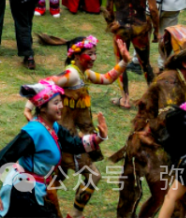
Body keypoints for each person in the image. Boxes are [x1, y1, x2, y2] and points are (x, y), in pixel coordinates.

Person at [114, 33, 186, 218]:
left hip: (164, 143)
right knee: (162, 196)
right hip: (149, 145)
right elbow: (169, 118)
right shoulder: (169, 81)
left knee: (163, 197)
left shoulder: (183, 80)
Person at [29, 36, 129, 218]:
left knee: (56, 179)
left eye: (95, 54)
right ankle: (74, 214)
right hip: (67, 139)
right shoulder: (72, 74)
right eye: (89, 54)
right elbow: (46, 84)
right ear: (75, 54)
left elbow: (107, 78)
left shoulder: (83, 74)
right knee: (93, 176)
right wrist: (29, 109)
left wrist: (124, 61)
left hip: (62, 137)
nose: (94, 58)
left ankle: (45, 209)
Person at [0, 80, 108, 218]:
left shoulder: (53, 127)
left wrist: (98, 138)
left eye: (60, 102)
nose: (61, 106)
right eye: (56, 103)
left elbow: (73, 144)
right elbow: (7, 154)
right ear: (43, 108)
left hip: (39, 187)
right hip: (23, 191)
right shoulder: (34, 131)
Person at [104, 0, 158, 108]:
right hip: (140, 28)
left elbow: (108, 8)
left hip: (120, 27)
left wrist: (110, 23)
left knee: (121, 64)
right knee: (146, 65)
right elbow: (154, 10)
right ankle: (153, 98)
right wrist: (156, 31)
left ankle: (125, 98)